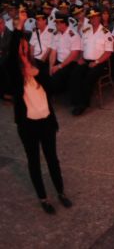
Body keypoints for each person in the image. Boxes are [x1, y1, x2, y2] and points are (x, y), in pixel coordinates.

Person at [5, 31, 72, 214]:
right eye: (21, 44)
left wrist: (37, 74)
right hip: (28, 126)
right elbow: (10, 58)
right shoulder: (14, 73)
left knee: (52, 159)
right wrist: (18, 30)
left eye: (26, 43)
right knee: (34, 160)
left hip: (47, 122)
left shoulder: (39, 66)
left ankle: (61, 192)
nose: (24, 46)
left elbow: (52, 88)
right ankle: (43, 197)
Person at [70, 9, 114, 115]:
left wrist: (97, 62)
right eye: (91, 17)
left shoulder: (105, 32)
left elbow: (108, 53)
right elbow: (81, 47)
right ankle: (76, 101)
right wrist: (80, 58)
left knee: (88, 79)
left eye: (95, 17)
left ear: (99, 18)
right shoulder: (86, 30)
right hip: (85, 60)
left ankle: (83, 104)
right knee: (75, 75)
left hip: (99, 62)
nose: (93, 19)